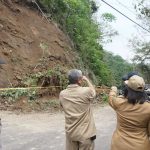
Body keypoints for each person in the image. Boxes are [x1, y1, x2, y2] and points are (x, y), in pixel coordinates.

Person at [109, 74, 150, 150]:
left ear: (127, 89)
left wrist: (113, 90)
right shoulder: (148, 107)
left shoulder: (119, 102)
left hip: (119, 145)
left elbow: (111, 99)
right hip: (141, 146)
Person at [59, 69, 96, 150]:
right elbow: (93, 91)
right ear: (79, 80)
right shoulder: (86, 91)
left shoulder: (62, 94)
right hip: (85, 134)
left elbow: (62, 106)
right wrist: (87, 80)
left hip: (71, 134)